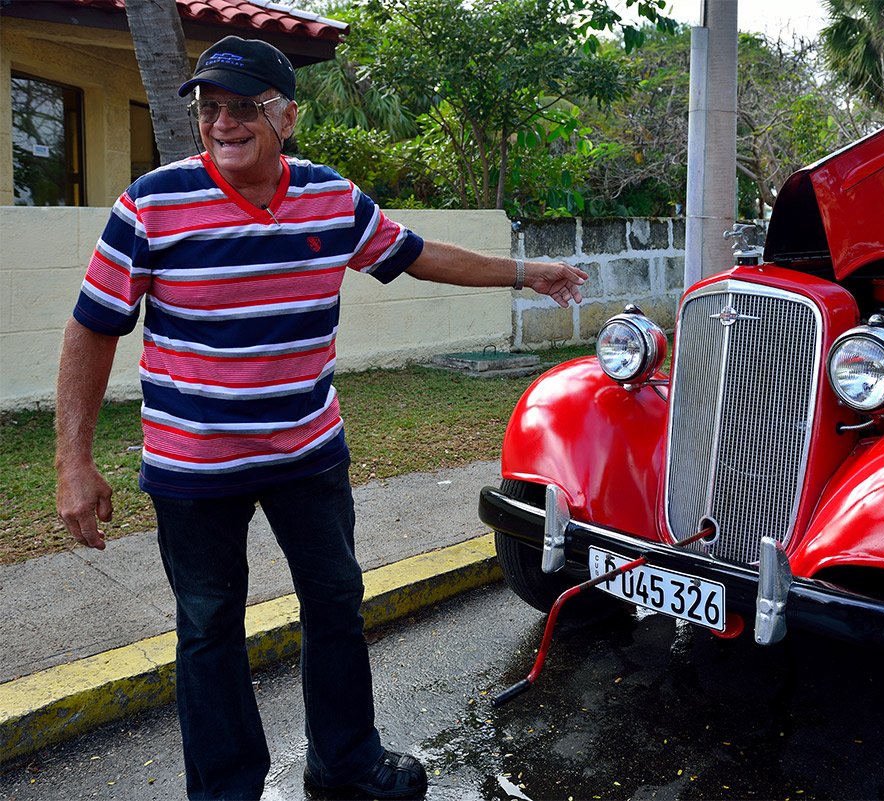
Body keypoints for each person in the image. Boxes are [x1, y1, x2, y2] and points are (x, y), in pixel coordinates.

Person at [54, 35, 587, 801]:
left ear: (288, 118)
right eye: (212, 108)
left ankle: (344, 763)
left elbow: (414, 251)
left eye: (245, 107)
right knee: (208, 627)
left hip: (308, 451)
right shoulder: (152, 205)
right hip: (193, 466)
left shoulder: (330, 198)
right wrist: (75, 461)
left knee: (335, 600)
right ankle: (226, 789)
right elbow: (92, 326)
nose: (224, 122)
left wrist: (525, 271)